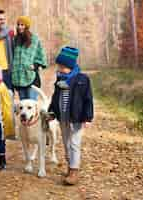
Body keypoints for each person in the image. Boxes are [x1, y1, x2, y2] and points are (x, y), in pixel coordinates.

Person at [48, 46, 94, 185]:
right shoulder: (59, 80)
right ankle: (70, 166)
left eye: (63, 67)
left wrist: (88, 117)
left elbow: (88, 99)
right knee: (67, 143)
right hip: (63, 118)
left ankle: (74, 171)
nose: (60, 69)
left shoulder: (82, 79)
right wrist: (52, 112)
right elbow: (55, 98)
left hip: (76, 118)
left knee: (74, 143)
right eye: (59, 66)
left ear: (71, 66)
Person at [12, 16, 47, 100]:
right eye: (18, 25)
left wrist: (34, 66)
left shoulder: (34, 39)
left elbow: (41, 56)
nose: (20, 27)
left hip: (32, 77)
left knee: (31, 106)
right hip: (19, 78)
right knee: (23, 107)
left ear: (27, 26)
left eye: (22, 25)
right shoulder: (15, 40)